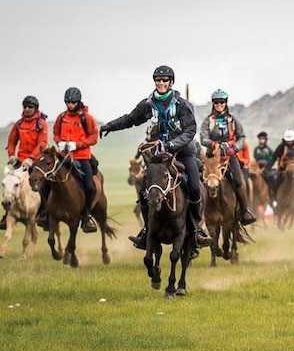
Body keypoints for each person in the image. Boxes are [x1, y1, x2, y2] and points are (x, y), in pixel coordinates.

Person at [101, 66, 210, 248]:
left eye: (164, 80)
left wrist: (172, 144)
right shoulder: (149, 104)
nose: (161, 83)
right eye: (158, 80)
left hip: (183, 152)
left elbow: (190, 130)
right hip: (159, 157)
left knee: (194, 187)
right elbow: (130, 119)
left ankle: (197, 230)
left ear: (171, 82)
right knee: (145, 191)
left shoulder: (182, 105)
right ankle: (146, 230)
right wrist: (110, 126)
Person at [199, 88, 257, 226]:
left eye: (222, 102)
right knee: (199, 181)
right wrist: (212, 143)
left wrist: (235, 148)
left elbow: (241, 137)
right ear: (213, 103)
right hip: (212, 158)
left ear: (226, 103)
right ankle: (199, 215)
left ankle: (244, 211)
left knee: (238, 180)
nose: (219, 104)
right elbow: (203, 137)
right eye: (217, 102)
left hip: (229, 156)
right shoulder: (208, 120)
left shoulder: (232, 119)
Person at [53, 87, 99, 233]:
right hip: (63, 156)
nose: (70, 105)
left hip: (82, 156)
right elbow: (56, 133)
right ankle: (45, 212)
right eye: (68, 102)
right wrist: (59, 142)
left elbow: (93, 137)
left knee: (91, 187)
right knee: (47, 180)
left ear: (78, 102)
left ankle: (86, 215)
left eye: (73, 103)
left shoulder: (87, 118)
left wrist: (78, 144)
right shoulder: (62, 117)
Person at [3, 96, 48, 230]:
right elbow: (12, 141)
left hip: (37, 161)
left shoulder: (41, 124)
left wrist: (31, 158)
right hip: (21, 161)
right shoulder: (19, 124)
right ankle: (7, 216)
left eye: (30, 107)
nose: (27, 109)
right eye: (25, 107)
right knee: (10, 185)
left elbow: (42, 143)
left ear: (36, 108)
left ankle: (45, 214)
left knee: (45, 186)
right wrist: (11, 155)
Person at [269, 129, 294, 202]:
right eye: (288, 141)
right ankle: (274, 198)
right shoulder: (281, 147)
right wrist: (268, 167)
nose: (289, 142)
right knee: (276, 181)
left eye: (291, 141)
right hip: (283, 168)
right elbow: (274, 157)